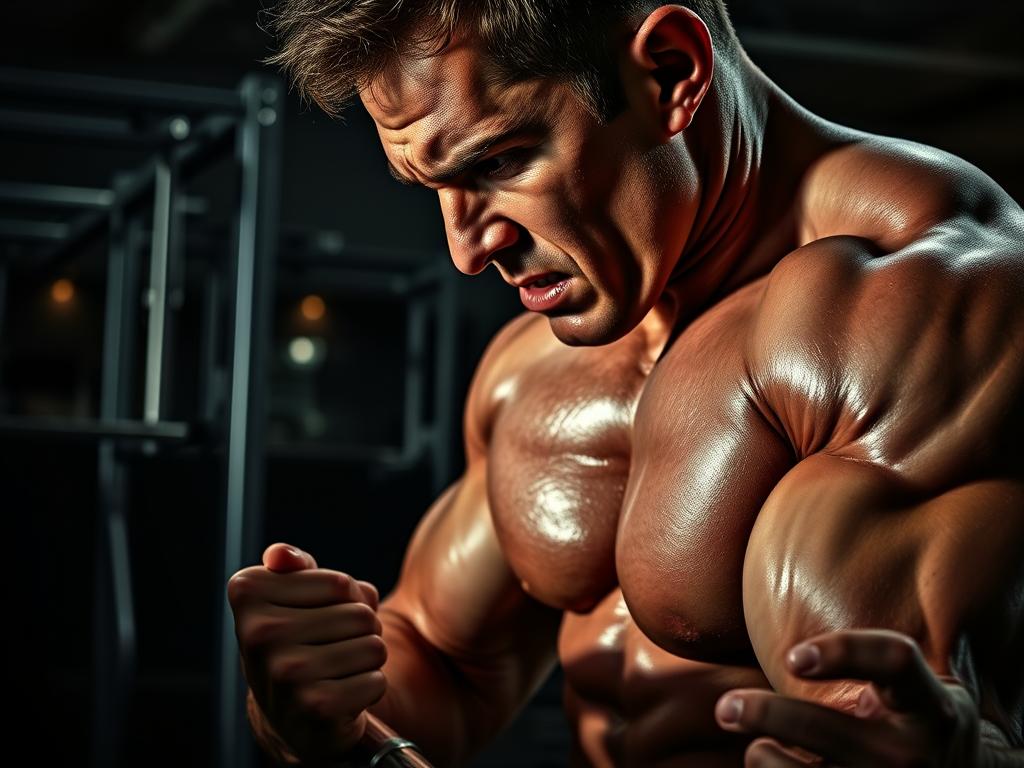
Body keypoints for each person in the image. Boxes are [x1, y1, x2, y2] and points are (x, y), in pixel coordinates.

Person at [228, 1, 1024, 765]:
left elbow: (892, 721)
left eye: (499, 161)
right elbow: (443, 667)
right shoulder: (533, 364)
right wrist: (318, 710)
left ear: (671, 75)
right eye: (433, 186)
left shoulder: (918, 300)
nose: (468, 252)